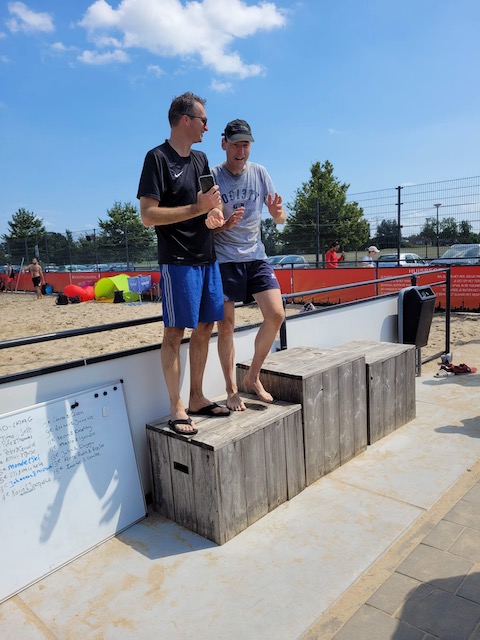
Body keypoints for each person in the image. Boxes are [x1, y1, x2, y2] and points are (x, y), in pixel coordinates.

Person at [137, 91, 229, 436]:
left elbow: (213, 204)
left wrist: (216, 216)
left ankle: (196, 397)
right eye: (203, 119)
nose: (207, 126)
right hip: (177, 260)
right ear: (186, 120)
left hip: (207, 257)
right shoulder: (156, 158)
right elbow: (148, 216)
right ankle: (176, 406)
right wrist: (198, 210)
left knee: (206, 326)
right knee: (174, 332)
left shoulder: (201, 160)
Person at [212, 119, 287, 411]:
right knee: (226, 326)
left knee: (276, 315)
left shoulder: (260, 172)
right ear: (224, 144)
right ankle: (232, 389)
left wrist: (277, 213)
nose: (241, 150)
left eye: (246, 144)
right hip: (225, 260)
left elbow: (280, 219)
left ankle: (252, 377)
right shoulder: (213, 175)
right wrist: (221, 223)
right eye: (236, 144)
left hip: (256, 256)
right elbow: (210, 222)